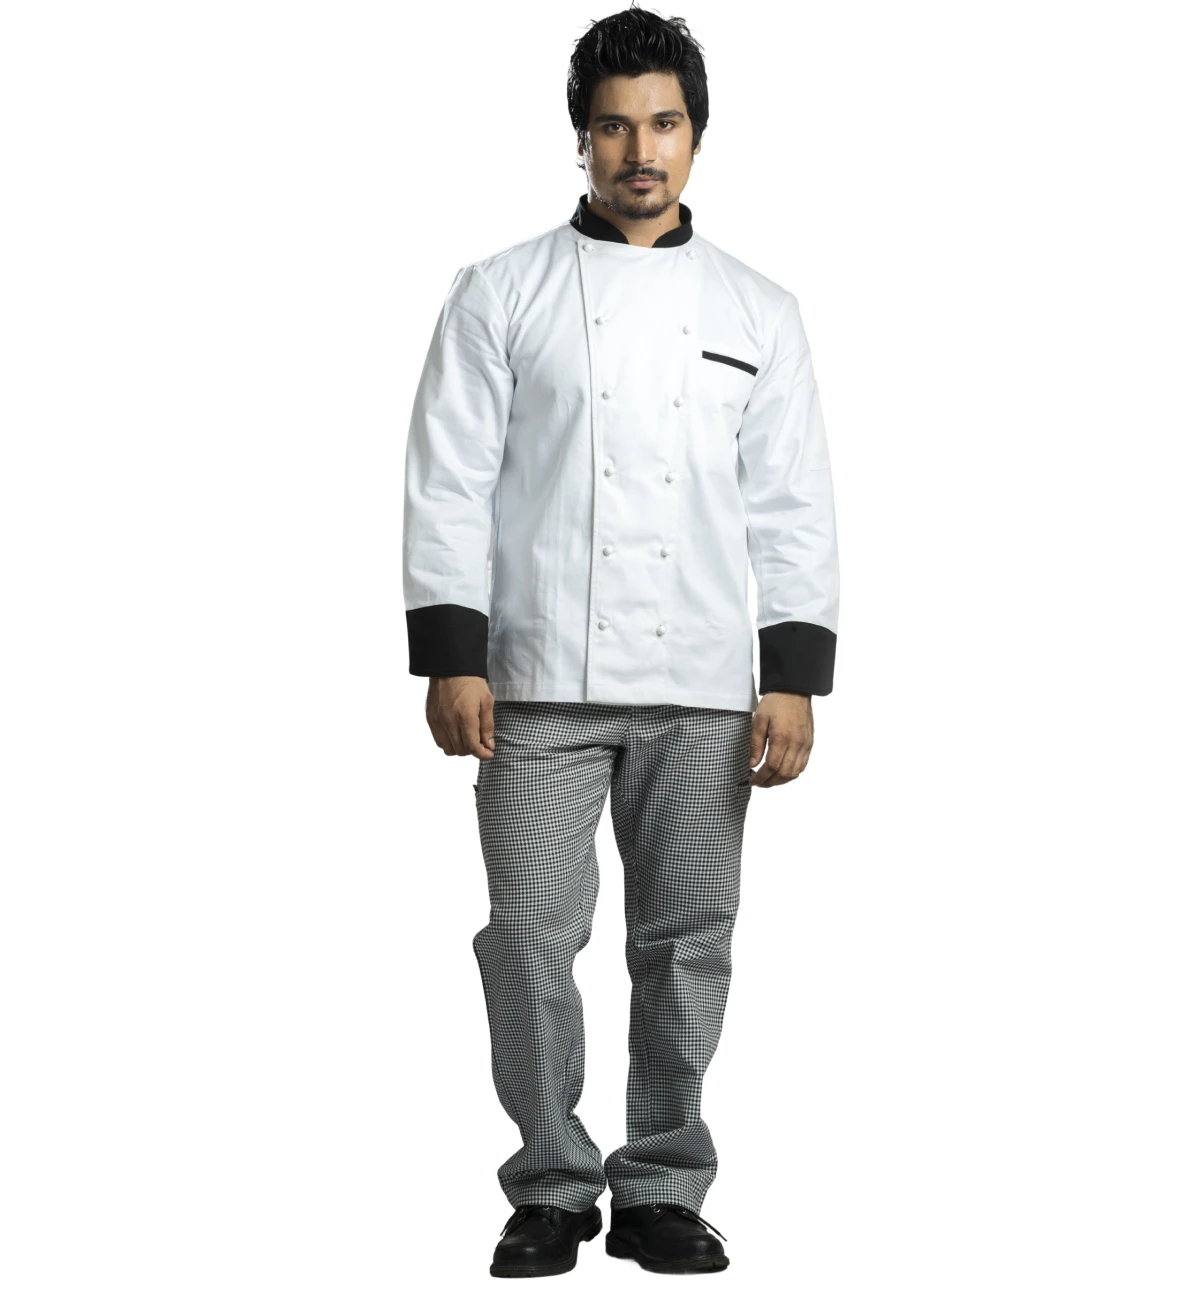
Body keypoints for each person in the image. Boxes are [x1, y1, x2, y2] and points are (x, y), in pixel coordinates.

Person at [402, 2, 839, 1278]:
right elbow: (448, 479)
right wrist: (453, 651)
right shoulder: (500, 291)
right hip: (533, 679)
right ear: (580, 137)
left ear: (697, 135)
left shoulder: (760, 308)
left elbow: (793, 502)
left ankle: (660, 1185)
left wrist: (793, 677)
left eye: (664, 123)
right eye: (613, 126)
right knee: (528, 939)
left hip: (703, 683)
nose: (640, 150)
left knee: (686, 941)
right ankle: (550, 1182)